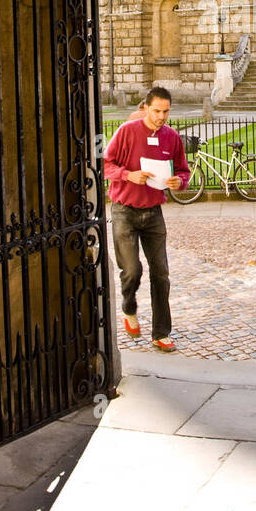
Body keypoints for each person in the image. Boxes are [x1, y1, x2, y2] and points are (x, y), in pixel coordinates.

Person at [103, 86, 190, 351]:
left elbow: (183, 171)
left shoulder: (172, 137)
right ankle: (129, 308)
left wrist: (179, 182)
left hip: (153, 212)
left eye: (165, 111)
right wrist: (128, 175)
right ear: (145, 108)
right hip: (124, 209)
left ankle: (161, 332)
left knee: (161, 274)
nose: (161, 116)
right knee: (131, 271)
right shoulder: (126, 132)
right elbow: (107, 164)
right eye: (156, 111)